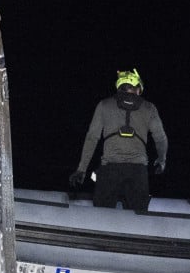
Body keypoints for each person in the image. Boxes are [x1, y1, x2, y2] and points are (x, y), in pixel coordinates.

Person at [70, 68, 168, 212]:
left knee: (102, 216)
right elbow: (160, 139)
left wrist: (81, 169)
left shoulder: (104, 105)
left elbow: (92, 138)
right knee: (138, 217)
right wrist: (161, 160)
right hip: (138, 172)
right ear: (137, 87)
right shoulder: (149, 108)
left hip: (109, 170)